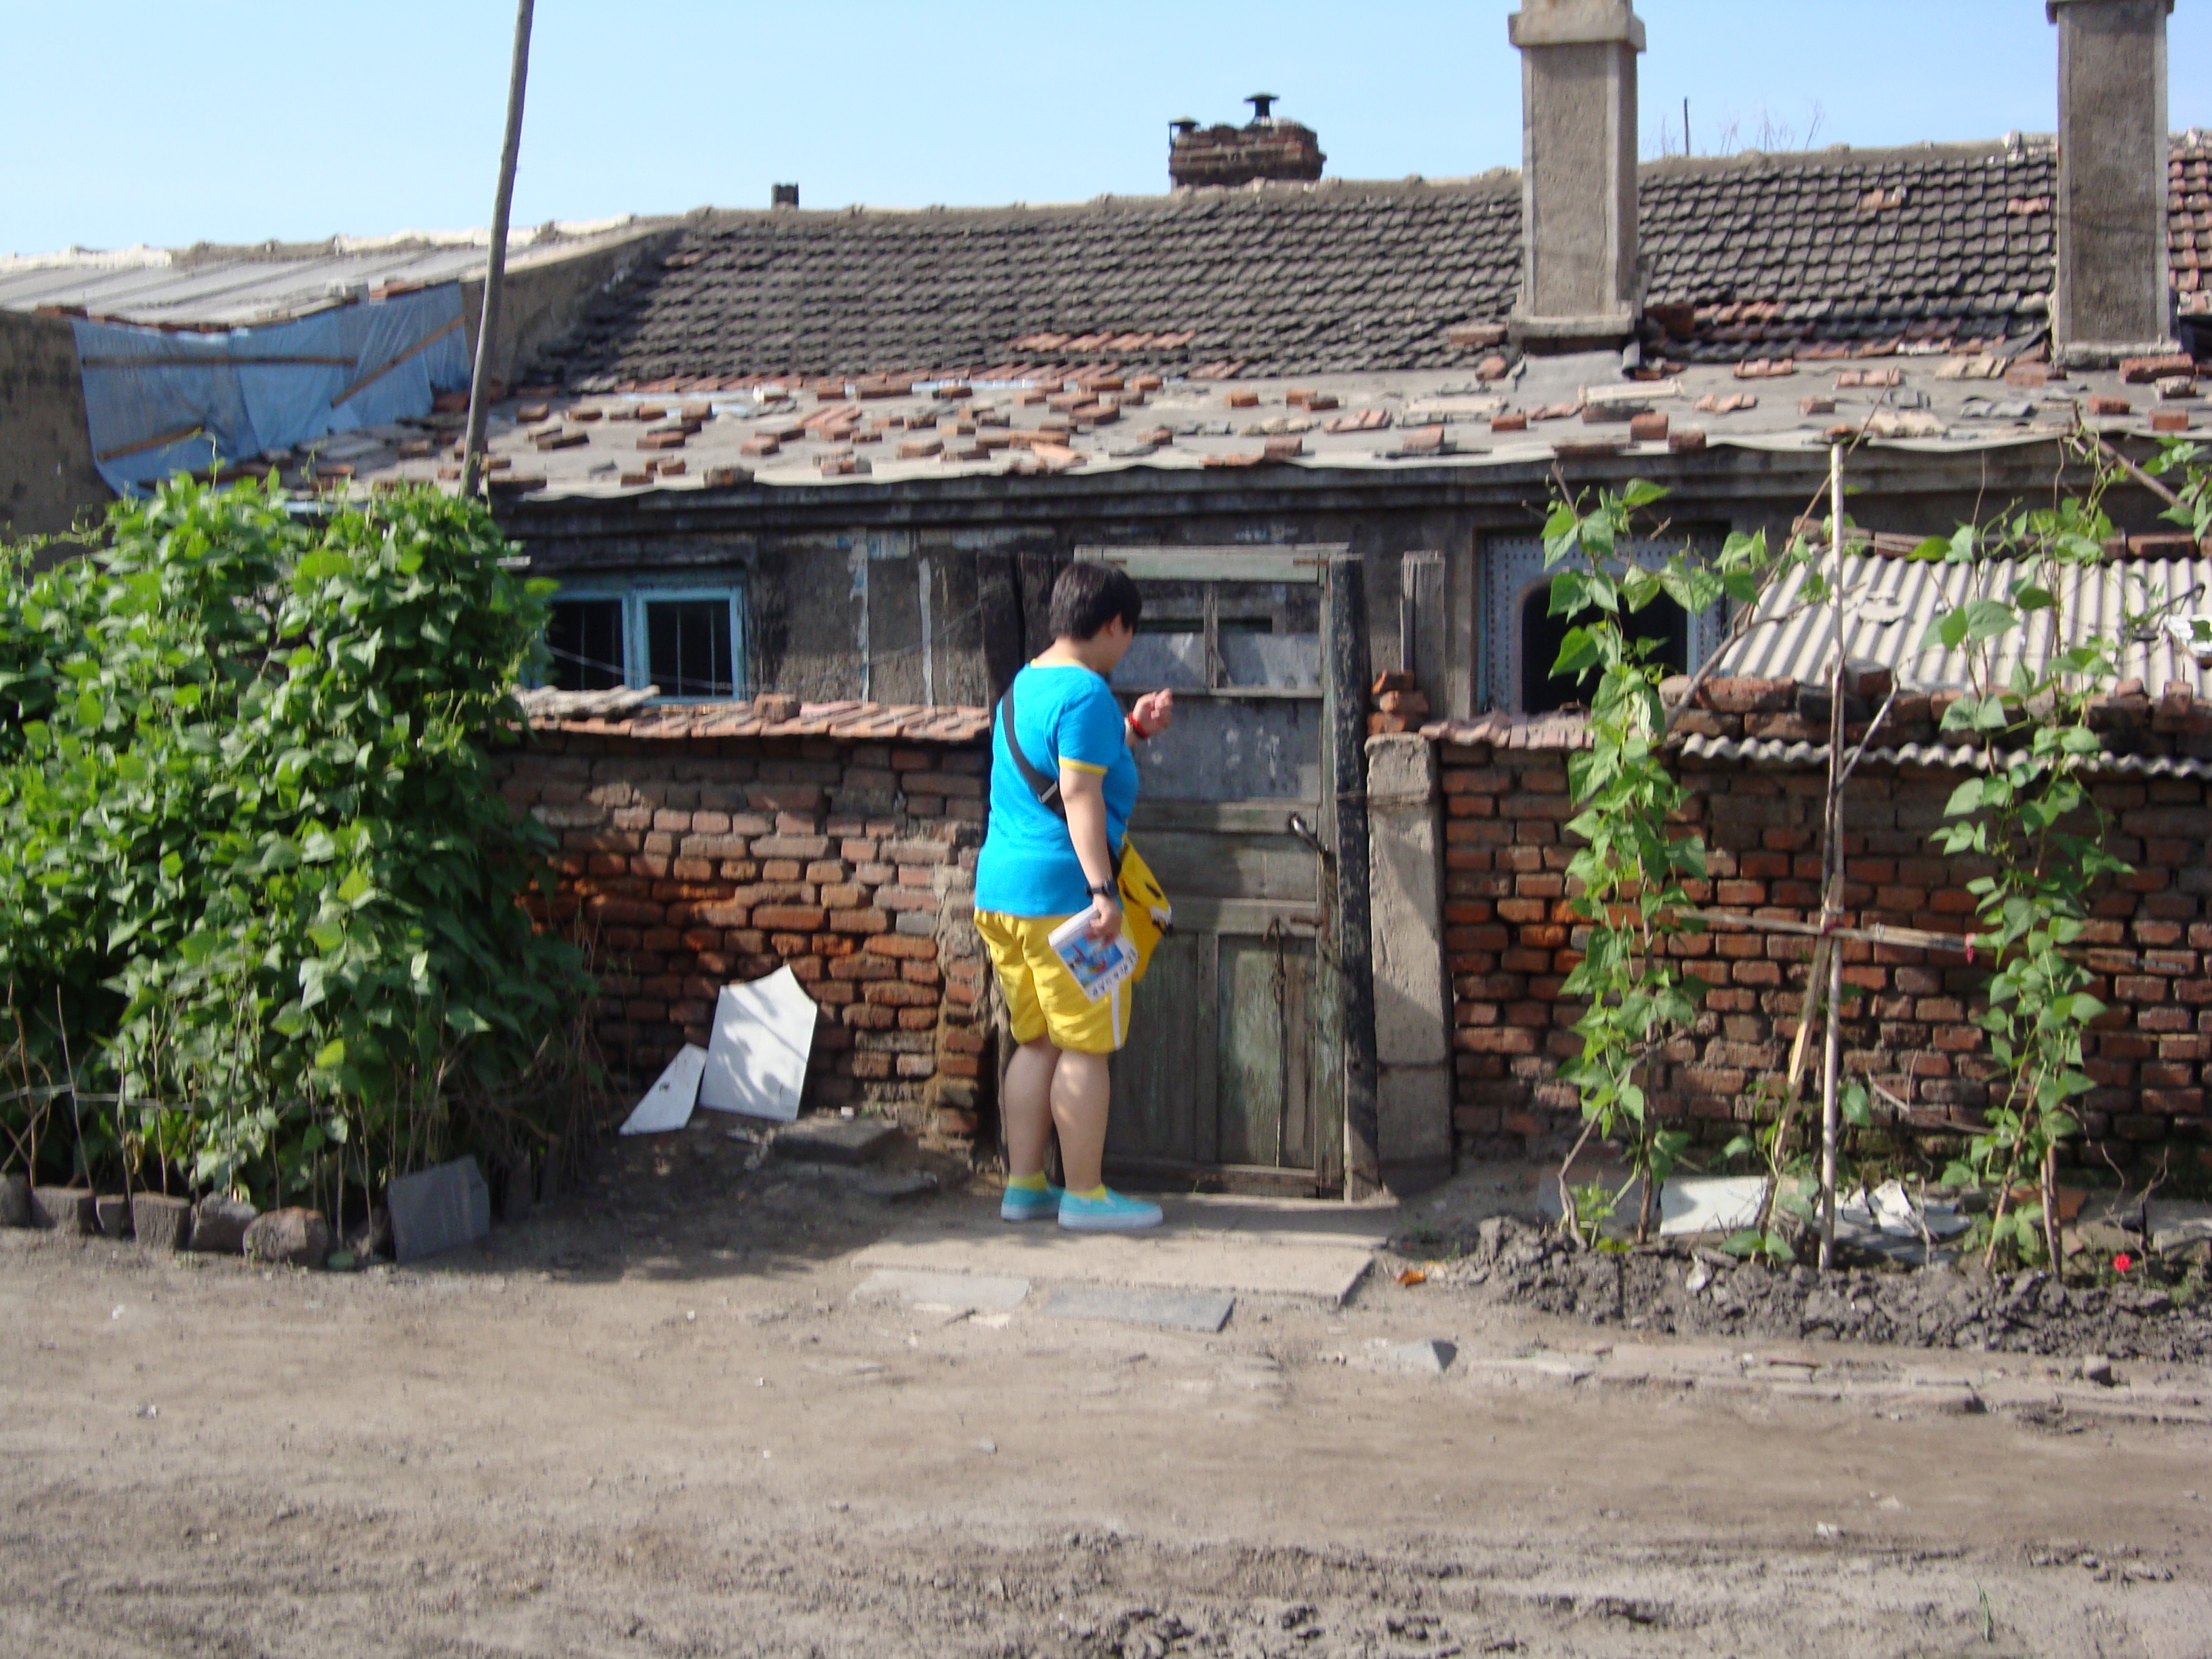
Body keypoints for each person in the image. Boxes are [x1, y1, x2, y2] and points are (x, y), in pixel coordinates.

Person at [974, 562, 1174, 1232]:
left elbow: (1065, 767)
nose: (1128, 647)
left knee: (1035, 1043)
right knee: (1086, 1047)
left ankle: (1025, 1187)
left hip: (1001, 896)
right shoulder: (1087, 693)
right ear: (1113, 624)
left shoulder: (1022, 687)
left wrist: (1134, 729)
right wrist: (1101, 892)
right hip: (1067, 903)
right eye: (1130, 632)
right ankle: (1085, 1196)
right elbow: (1080, 793)